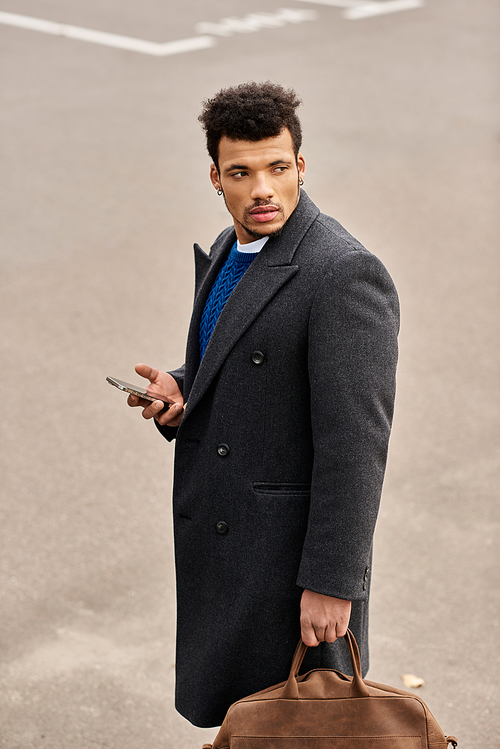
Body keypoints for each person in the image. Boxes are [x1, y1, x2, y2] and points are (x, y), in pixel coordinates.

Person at [126, 81, 399, 728]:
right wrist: (184, 388)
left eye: (278, 167)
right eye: (242, 173)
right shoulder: (230, 248)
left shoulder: (343, 274)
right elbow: (247, 361)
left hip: (287, 566)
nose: (263, 189)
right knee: (249, 726)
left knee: (298, 728)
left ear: (301, 165)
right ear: (215, 177)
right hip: (231, 550)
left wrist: (333, 582)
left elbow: (355, 445)